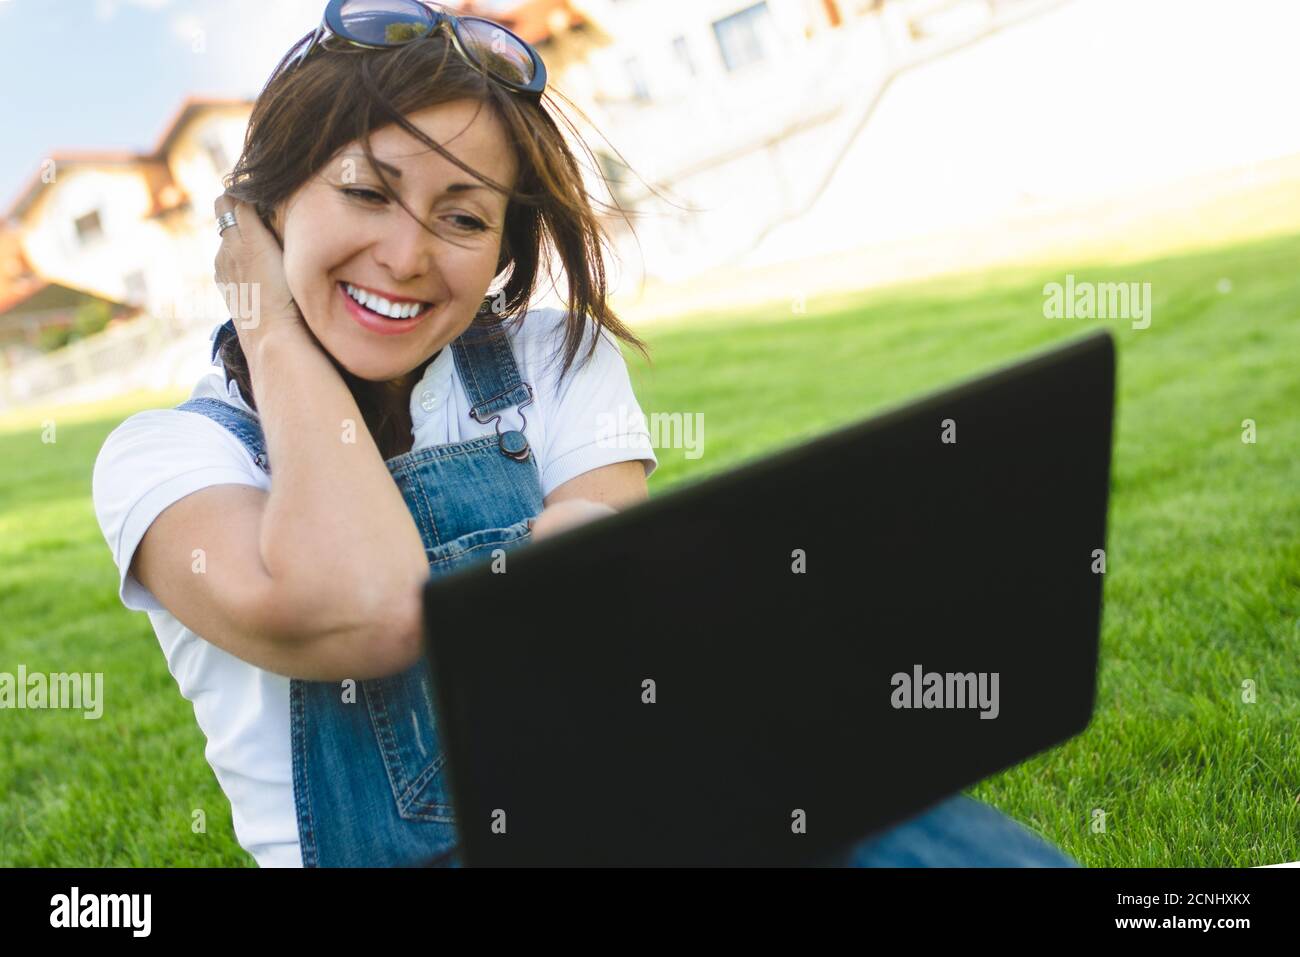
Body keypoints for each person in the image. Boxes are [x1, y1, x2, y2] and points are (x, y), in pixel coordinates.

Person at [92, 0, 1076, 868]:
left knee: (873, 822)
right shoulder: (167, 460)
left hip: (624, 800)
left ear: (500, 253)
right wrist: (267, 325)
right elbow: (370, 609)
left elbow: (604, 606)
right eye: (364, 190)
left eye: (463, 218)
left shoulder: (549, 359)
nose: (405, 255)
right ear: (262, 209)